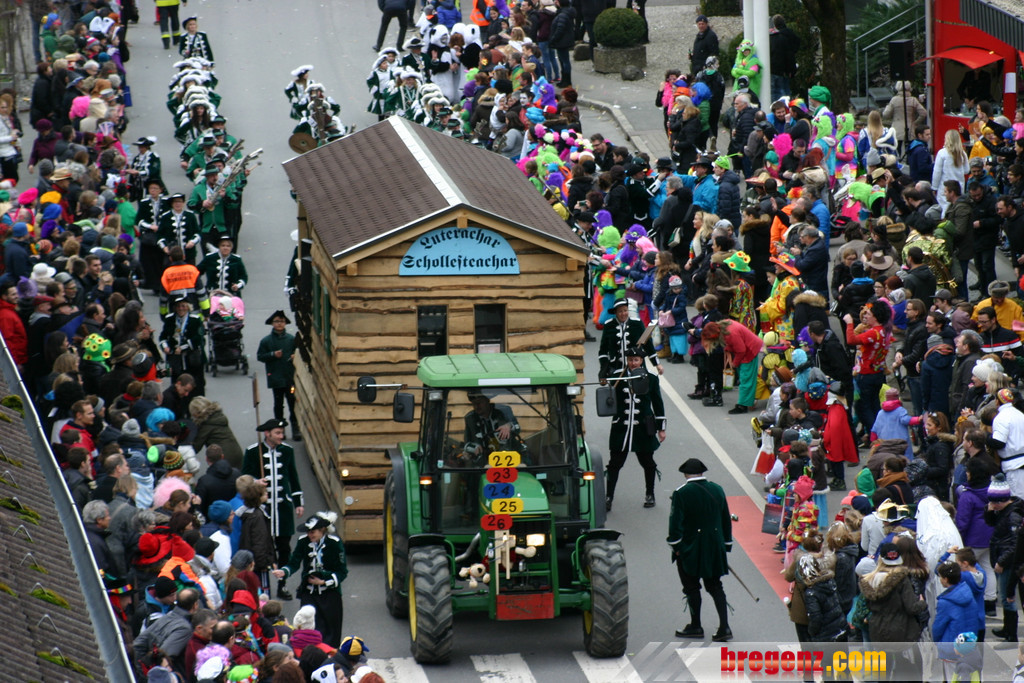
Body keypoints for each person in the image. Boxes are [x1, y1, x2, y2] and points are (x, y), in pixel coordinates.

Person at [668, 457, 732, 642]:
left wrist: (676, 546)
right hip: (715, 547)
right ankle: (724, 627)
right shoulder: (718, 489)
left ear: (685, 474)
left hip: (691, 548)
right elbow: (725, 519)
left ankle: (695, 625)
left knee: (691, 587)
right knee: (715, 586)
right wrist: (726, 544)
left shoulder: (681, 493)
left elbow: (675, 524)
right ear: (702, 472)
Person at [242, 418, 304, 602]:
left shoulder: (287, 451)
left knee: (284, 548)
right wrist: (256, 482)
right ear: (267, 433)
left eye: (282, 433)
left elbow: (293, 477)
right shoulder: (253, 451)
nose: (281, 436)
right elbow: (244, 477)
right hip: (264, 510)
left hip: (283, 509)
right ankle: (263, 585)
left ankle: (282, 584)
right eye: (277, 433)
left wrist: (298, 502)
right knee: (263, 549)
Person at [272, 512, 348, 649]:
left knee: (331, 630)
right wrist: (284, 571)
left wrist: (324, 582)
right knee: (307, 626)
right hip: (309, 593)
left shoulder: (334, 543)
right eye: (308, 532)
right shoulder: (303, 542)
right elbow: (294, 562)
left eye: (313, 532)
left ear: (322, 530)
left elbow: (342, 571)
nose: (309, 535)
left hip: (330, 594)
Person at [605, 346, 666, 510]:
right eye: (630, 360)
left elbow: (657, 403)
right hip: (621, 427)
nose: (633, 363)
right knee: (614, 464)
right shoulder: (618, 376)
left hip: (643, 428)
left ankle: (650, 494)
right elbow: (607, 399)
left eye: (636, 360)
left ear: (641, 361)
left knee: (648, 463)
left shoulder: (651, 378)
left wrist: (661, 428)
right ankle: (608, 496)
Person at [257, 311, 300, 441]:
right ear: (272, 324)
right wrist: (272, 355)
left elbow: (298, 353)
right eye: (276, 321)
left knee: (292, 403)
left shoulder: (291, 339)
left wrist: (295, 356)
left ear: (285, 323)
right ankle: (280, 430)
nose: (279, 324)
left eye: (282, 321)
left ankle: (295, 428)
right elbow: (260, 356)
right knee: (278, 405)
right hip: (275, 378)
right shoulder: (266, 341)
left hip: (289, 377)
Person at [598, 298, 662, 383]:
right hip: (616, 368)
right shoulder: (608, 325)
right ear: (615, 312)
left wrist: (657, 364)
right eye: (620, 311)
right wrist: (603, 371)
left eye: (625, 310)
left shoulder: (637, 324)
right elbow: (603, 351)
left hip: (637, 368)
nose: (623, 314)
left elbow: (648, 345)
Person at [159, 296, 206, 397]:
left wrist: (182, 347)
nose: (181, 308)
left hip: (192, 359)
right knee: (177, 386)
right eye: (178, 306)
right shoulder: (169, 319)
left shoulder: (195, 320)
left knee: (195, 386)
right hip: (176, 360)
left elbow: (199, 339)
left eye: (183, 306)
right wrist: (165, 347)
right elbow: (163, 337)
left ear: (188, 307)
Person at [768, 15, 800, 102]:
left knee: (774, 92)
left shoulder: (774, 38)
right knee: (784, 91)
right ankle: (786, 106)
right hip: (785, 69)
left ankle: (777, 107)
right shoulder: (791, 35)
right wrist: (792, 70)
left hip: (775, 69)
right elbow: (790, 55)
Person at [548, 0, 575, 88]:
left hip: (562, 41)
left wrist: (553, 39)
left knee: (564, 61)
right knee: (564, 61)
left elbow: (560, 28)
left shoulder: (563, 14)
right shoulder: (566, 12)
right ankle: (565, 80)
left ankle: (566, 81)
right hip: (564, 40)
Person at [689, 15, 718, 82]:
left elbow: (714, 53)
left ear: (706, 24)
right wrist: (692, 56)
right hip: (696, 66)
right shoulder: (699, 35)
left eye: (703, 24)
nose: (701, 26)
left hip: (705, 68)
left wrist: (707, 66)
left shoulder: (711, 36)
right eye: (699, 24)